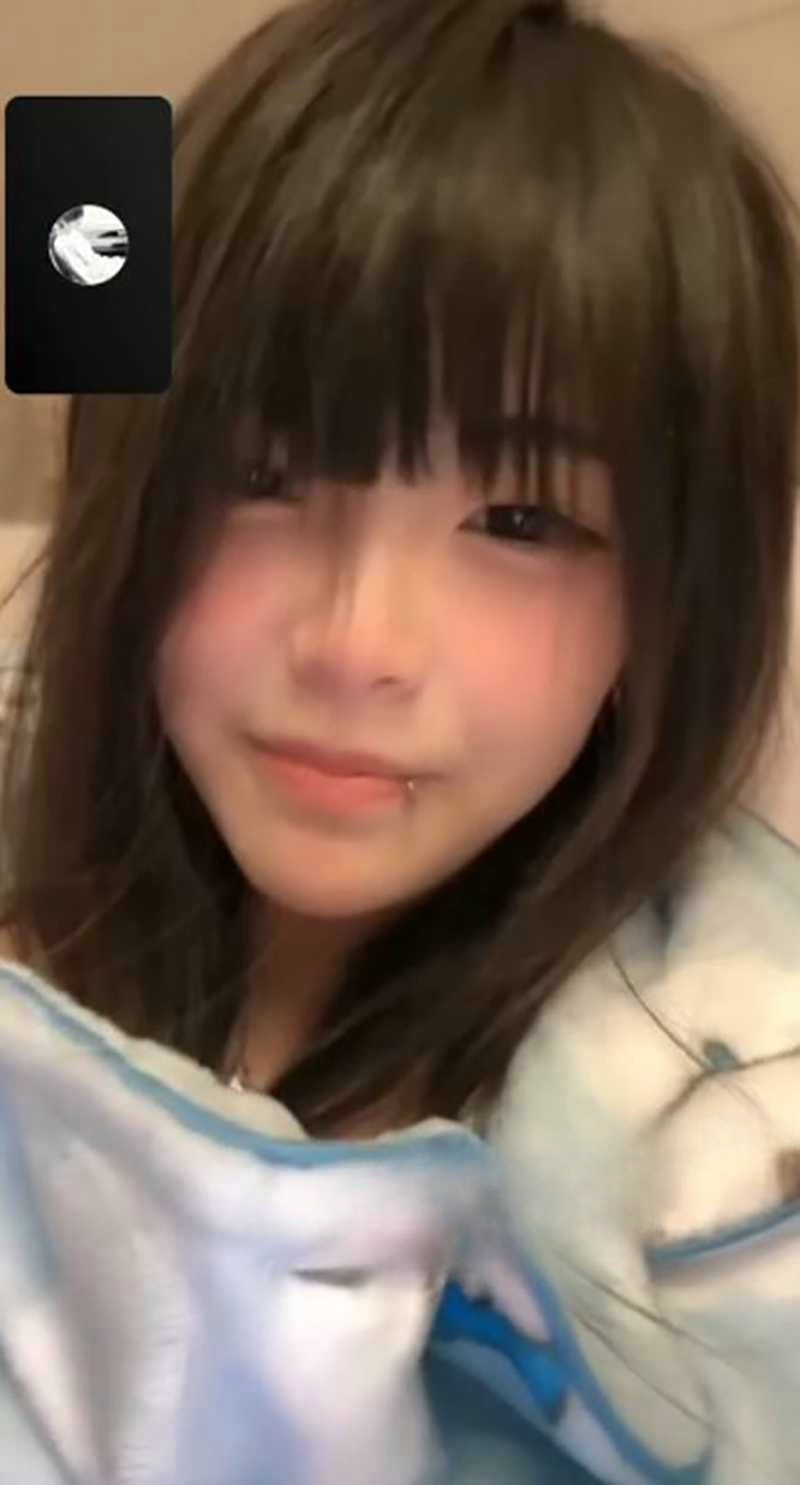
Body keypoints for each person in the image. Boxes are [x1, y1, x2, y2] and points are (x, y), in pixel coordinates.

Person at [0, 0, 798, 1480]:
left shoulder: (721, 1127)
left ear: (674, 598)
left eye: (522, 519)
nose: (356, 642)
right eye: (261, 473)